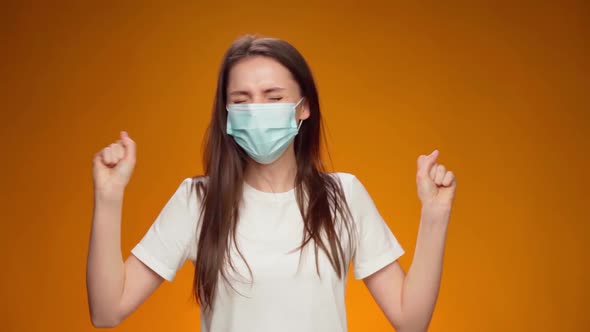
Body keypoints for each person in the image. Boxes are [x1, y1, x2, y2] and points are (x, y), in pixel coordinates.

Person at [86, 35, 457, 332]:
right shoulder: (198, 200)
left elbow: (411, 321)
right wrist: (108, 195)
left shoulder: (343, 196)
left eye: (273, 97)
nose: (258, 109)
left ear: (303, 107)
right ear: (227, 114)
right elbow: (106, 311)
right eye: (241, 99)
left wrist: (435, 215)